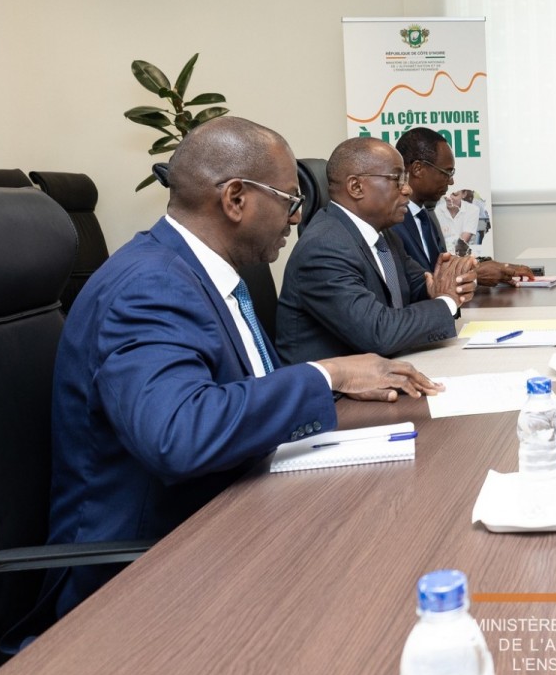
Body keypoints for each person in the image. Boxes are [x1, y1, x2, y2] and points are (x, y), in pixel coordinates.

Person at [43, 117, 443, 621]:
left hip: (230, 509)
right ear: (235, 199)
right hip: (145, 570)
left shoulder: (202, 272)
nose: (297, 217)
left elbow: (238, 392)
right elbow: (179, 433)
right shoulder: (149, 286)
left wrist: (327, 380)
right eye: (290, 200)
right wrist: (328, 376)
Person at [276, 137, 477, 363]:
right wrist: (447, 301)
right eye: (397, 179)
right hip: (337, 384)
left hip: (383, 369)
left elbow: (419, 285)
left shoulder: (383, 234)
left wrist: (450, 281)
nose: (407, 189)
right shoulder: (324, 247)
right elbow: (379, 333)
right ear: (356, 187)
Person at [391, 126, 532, 287]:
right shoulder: (391, 221)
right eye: (447, 172)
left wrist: (489, 268)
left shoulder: (427, 214)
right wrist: (474, 275)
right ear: (418, 169)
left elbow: (440, 269)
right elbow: (407, 284)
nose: (451, 181)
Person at [435, 189, 478, 254]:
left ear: (464, 194)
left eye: (454, 194)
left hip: (464, 254)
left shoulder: (472, 210)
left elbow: (463, 241)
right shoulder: (436, 211)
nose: (449, 198)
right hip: (442, 254)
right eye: (446, 193)